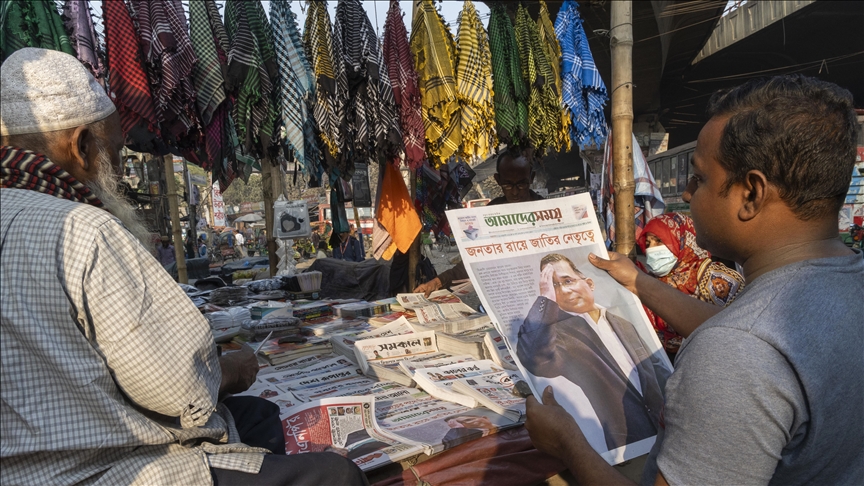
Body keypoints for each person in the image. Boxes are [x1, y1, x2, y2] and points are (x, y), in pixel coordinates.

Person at [0, 48, 367, 485]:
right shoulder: (84, 228)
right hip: (102, 470)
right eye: (114, 152)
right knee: (336, 476)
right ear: (81, 146)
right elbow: (177, 391)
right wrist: (229, 370)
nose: (117, 170)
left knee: (259, 417)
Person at [524, 75, 863, 485]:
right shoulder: (842, 287)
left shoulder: (735, 353)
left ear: (752, 194)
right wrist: (639, 283)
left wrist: (567, 444)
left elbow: (743, 346)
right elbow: (763, 342)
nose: (686, 194)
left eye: (700, 178)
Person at [517, 253, 669, 451]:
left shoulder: (622, 323)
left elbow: (658, 370)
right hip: (626, 445)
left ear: (589, 283)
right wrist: (546, 300)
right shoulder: (559, 335)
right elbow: (533, 357)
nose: (563, 290)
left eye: (567, 280)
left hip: (666, 431)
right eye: (553, 286)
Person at [414, 148, 544, 295]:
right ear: (498, 180)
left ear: (531, 178)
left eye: (521, 184)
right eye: (507, 185)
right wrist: (437, 282)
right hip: (506, 294)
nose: (514, 192)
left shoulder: (548, 210)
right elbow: (474, 260)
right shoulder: (491, 211)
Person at [637, 212, 744, 359]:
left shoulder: (714, 277)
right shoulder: (648, 281)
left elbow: (740, 328)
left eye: (659, 241)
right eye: (648, 244)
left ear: (682, 239)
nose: (651, 249)